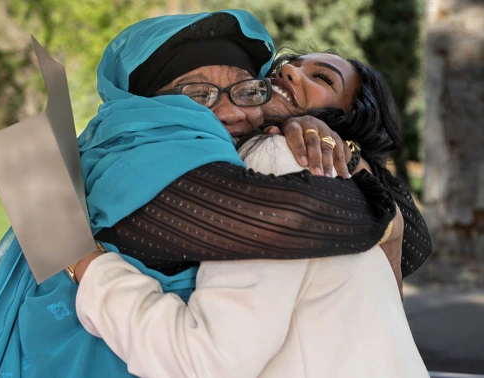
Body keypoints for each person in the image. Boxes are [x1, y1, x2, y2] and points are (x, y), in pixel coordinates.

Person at [0, 10, 429, 378]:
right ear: (147, 106)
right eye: (197, 95)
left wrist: (360, 171)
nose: (231, 110)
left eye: (245, 89)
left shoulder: (289, 158)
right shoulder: (246, 166)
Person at [70, 46, 430, 376]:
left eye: (322, 78)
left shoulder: (280, 158)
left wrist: (88, 266)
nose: (289, 72)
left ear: (347, 123)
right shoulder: (329, 178)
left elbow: (205, 359)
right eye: (288, 65)